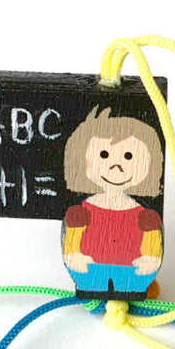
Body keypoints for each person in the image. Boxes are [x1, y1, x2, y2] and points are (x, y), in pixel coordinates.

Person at [61, 106, 163, 300]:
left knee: (130, 288)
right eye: (104, 155)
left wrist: (151, 259)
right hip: (89, 271)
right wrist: (73, 255)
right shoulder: (81, 212)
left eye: (128, 156)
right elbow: (72, 238)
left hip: (132, 273)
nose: (116, 166)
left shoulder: (145, 216)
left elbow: (151, 241)